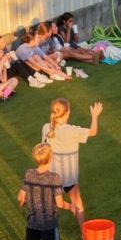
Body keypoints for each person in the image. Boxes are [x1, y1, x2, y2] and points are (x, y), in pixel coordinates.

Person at [17, 143, 77, 240]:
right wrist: (71, 207)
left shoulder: (29, 174)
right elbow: (59, 203)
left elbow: (20, 197)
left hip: (32, 223)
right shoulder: (54, 178)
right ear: (50, 158)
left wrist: (23, 203)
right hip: (49, 225)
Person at [41, 98, 103, 228]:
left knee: (51, 206)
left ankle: (47, 231)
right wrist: (95, 116)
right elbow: (93, 132)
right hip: (70, 178)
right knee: (77, 202)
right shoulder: (72, 130)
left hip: (52, 178)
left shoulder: (46, 128)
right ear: (68, 113)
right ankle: (84, 233)